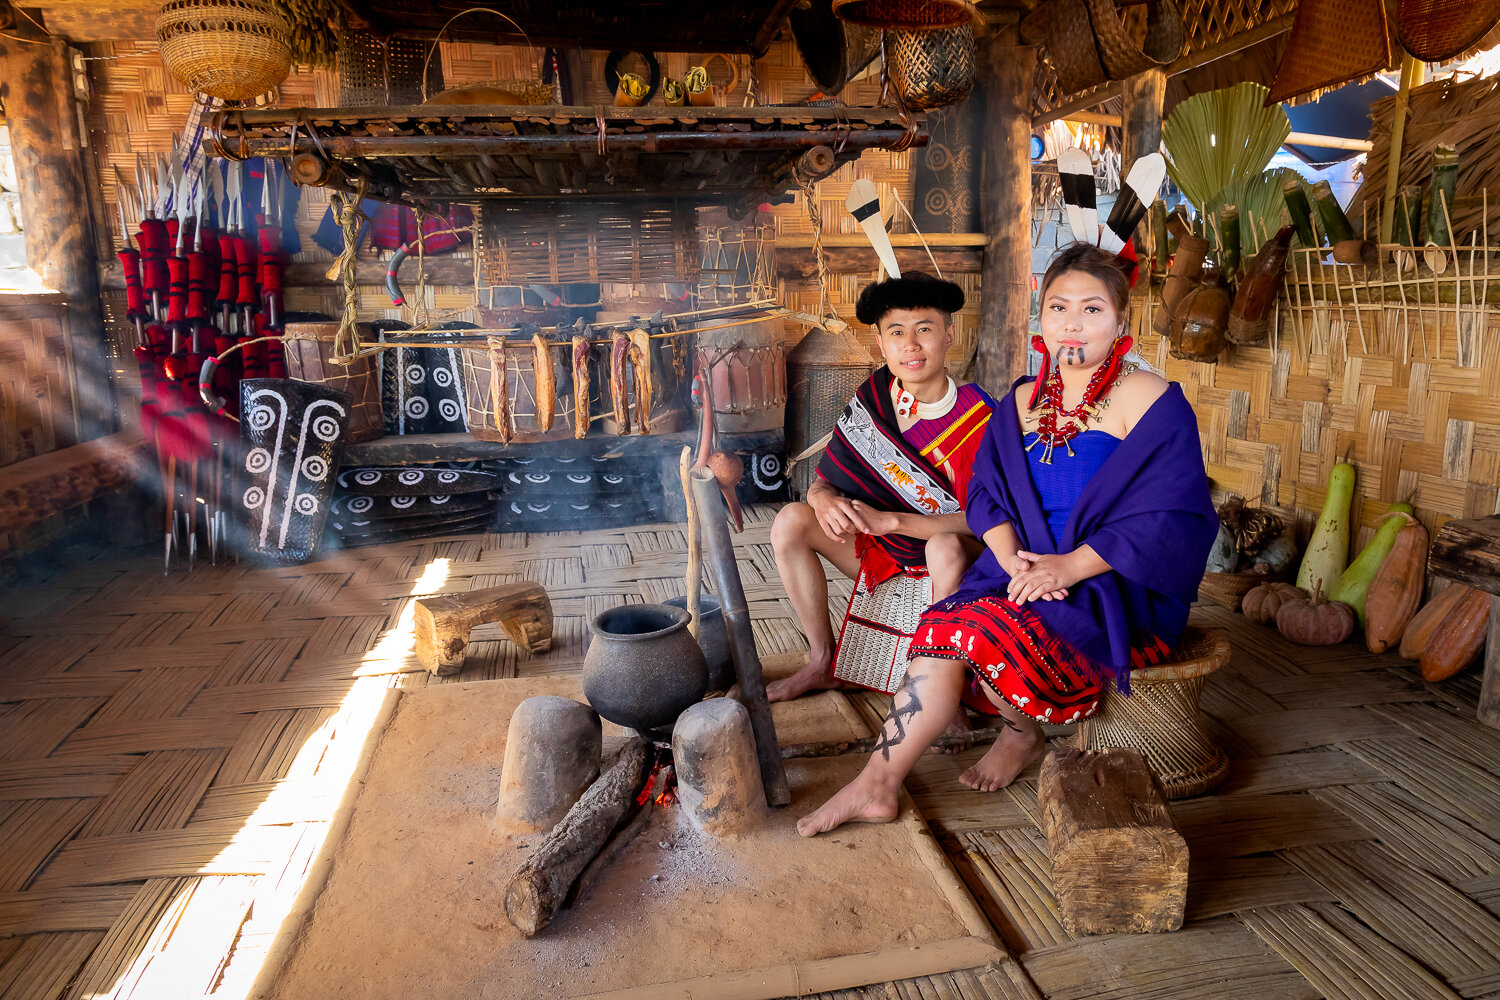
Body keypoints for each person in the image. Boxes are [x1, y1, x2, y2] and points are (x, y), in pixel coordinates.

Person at [796, 242, 1218, 837]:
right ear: (1041, 318)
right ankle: (879, 783)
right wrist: (1010, 561)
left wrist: (1067, 569)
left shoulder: (1150, 399)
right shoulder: (1021, 399)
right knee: (942, 626)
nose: (1072, 323)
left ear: (1120, 318)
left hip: (1108, 580)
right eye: (1059, 307)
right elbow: (986, 498)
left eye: (1091, 309)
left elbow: (1169, 517)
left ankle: (1012, 737)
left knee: (975, 627)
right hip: (1016, 567)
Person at [767, 272, 994, 704]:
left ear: (949, 335)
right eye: (896, 332)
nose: (910, 344)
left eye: (924, 329)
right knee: (792, 520)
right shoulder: (874, 394)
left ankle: (941, 687)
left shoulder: (981, 418)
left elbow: (987, 522)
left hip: (954, 568)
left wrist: (893, 520)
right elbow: (823, 480)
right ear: (881, 343)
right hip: (886, 555)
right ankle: (821, 662)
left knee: (942, 547)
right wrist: (822, 498)